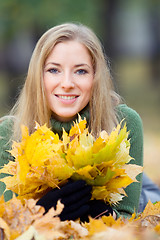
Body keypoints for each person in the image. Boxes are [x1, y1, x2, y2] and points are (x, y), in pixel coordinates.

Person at [0, 22, 147, 221]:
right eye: (53, 70)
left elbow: (127, 220)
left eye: (81, 71)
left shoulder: (124, 122)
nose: (67, 83)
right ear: (37, 76)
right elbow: (7, 224)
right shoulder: (9, 132)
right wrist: (41, 214)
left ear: (95, 76)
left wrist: (101, 214)